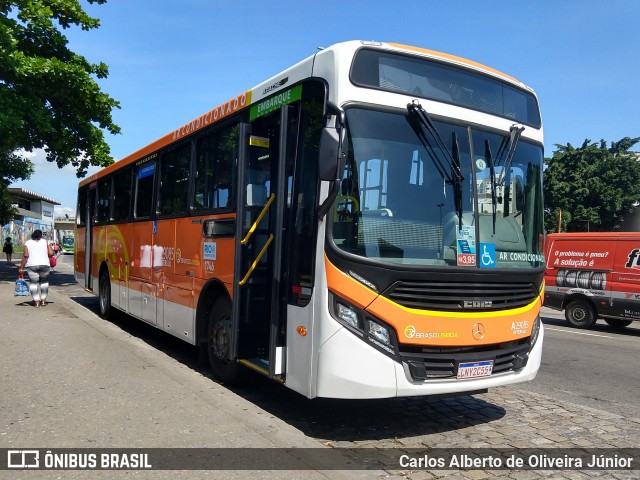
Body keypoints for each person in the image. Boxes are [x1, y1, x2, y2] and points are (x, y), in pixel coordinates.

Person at [18, 230, 54, 307]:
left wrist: (21, 267)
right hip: (44, 265)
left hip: (32, 265)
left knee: (33, 283)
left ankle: (36, 301)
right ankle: (43, 300)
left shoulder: (27, 243)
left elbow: (25, 255)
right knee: (44, 283)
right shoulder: (45, 242)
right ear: (41, 235)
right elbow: (51, 253)